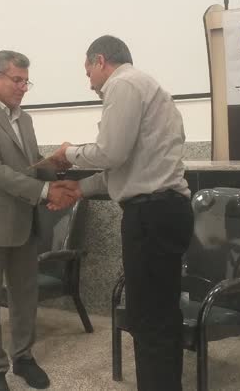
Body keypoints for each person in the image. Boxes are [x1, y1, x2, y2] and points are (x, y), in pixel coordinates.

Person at [50, 35, 194, 391]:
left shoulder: (123, 84)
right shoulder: (147, 87)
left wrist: (68, 152)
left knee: (148, 318)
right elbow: (125, 166)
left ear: (100, 61)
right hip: (164, 211)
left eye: (88, 72)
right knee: (161, 314)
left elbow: (110, 152)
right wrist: (79, 188)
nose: (89, 82)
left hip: (151, 216)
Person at [0, 50, 78, 391]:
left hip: (24, 221)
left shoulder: (23, 119)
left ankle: (23, 357)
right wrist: (45, 191)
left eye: (26, 81)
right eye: (17, 80)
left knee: (25, 296)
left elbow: (27, 165)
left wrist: (57, 163)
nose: (23, 88)